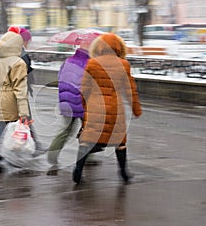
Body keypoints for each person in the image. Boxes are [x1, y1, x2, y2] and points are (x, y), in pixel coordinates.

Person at [72, 33, 142, 184]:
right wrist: (136, 109)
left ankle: (78, 170)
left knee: (87, 140)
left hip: (94, 108)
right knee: (120, 142)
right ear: (119, 47)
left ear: (99, 46)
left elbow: (84, 89)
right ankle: (123, 172)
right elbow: (131, 90)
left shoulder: (92, 64)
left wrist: (85, 109)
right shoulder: (123, 64)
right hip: (115, 110)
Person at [0, 30, 30, 173]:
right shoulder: (18, 63)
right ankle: (1, 156)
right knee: (13, 129)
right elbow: (20, 88)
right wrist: (24, 111)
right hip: (9, 99)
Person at [46, 40, 91, 172]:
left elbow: (60, 77)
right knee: (88, 130)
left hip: (66, 101)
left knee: (65, 130)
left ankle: (52, 154)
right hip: (82, 102)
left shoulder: (67, 61)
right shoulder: (88, 63)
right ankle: (88, 157)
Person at [8, 26, 46, 153]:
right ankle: (32, 146)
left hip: (16, 91)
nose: (29, 42)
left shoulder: (17, 51)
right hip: (18, 92)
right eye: (28, 40)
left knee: (22, 120)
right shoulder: (20, 53)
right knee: (23, 119)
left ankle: (33, 145)